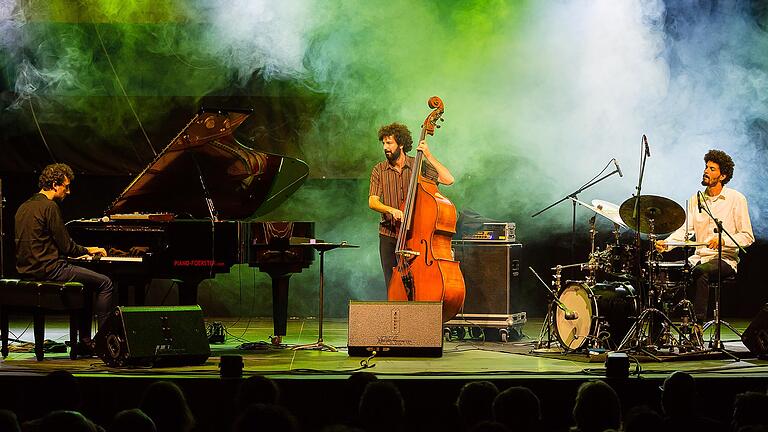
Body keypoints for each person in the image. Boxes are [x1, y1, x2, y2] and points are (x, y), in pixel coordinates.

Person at [14, 163, 114, 352]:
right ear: (54, 184)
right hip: (51, 270)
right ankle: (104, 342)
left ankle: (85, 341)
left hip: (27, 270)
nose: (68, 192)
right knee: (105, 283)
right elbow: (67, 247)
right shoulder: (49, 207)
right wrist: (89, 250)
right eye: (66, 186)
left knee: (86, 283)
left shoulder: (23, 207)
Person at [656, 149, 754, 323]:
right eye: (706, 167)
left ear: (722, 176)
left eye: (712, 169)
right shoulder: (697, 199)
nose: (706, 171)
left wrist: (723, 241)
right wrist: (667, 243)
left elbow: (747, 237)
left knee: (701, 272)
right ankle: (659, 332)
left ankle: (696, 326)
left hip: (724, 260)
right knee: (661, 273)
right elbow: (686, 230)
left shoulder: (736, 199)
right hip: (698, 259)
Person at [368, 122, 455, 288]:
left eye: (389, 143)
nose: (385, 147)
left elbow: (448, 179)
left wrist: (428, 155)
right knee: (393, 284)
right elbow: (373, 201)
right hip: (389, 235)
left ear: (401, 144)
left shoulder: (418, 165)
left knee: (420, 283)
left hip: (415, 236)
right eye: (383, 143)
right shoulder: (379, 170)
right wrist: (391, 209)